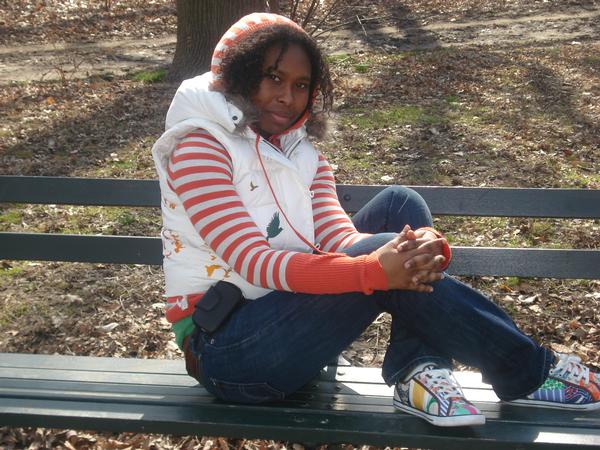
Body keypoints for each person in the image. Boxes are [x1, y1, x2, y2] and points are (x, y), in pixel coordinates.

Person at [152, 12, 600, 427]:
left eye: (301, 84)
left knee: (401, 205)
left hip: (287, 322)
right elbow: (253, 262)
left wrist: (420, 249)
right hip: (227, 350)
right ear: (239, 73)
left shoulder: (301, 152)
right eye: (273, 77)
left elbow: (339, 238)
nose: (287, 97)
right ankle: (528, 371)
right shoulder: (199, 148)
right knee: (380, 257)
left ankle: (419, 371)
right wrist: (375, 268)